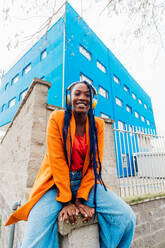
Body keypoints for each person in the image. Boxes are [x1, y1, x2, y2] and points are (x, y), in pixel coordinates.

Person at [5, 80, 136, 248]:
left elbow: (94, 165)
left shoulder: (98, 125)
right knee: (34, 238)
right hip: (55, 184)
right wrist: (67, 202)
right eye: (77, 94)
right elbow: (57, 161)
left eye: (87, 95)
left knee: (127, 218)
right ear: (69, 99)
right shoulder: (57, 119)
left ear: (93, 101)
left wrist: (81, 199)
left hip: (86, 184)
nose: (82, 98)